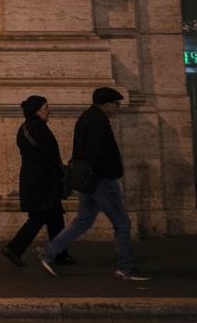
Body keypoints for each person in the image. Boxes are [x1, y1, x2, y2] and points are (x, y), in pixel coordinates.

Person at [35, 87, 151, 281]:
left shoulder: (86, 118)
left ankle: (49, 251)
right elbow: (100, 153)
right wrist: (112, 172)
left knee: (83, 220)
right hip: (101, 180)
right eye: (116, 104)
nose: (118, 107)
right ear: (106, 104)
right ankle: (126, 267)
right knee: (122, 223)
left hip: (88, 180)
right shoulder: (99, 122)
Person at [1, 95, 75, 267]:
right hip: (42, 182)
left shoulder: (26, 127)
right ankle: (13, 248)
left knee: (55, 217)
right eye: (46, 107)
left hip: (37, 180)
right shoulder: (38, 128)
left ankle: (60, 253)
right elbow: (48, 155)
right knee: (39, 217)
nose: (49, 111)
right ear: (37, 111)